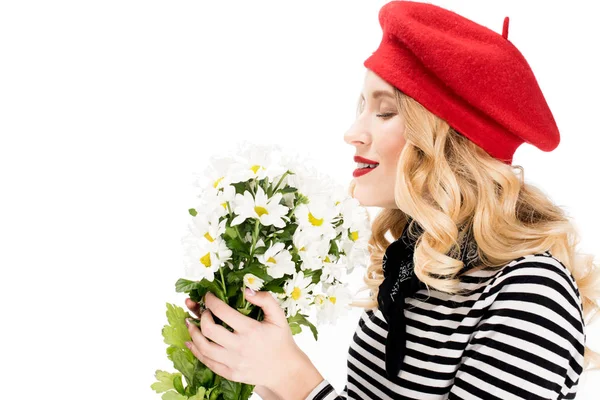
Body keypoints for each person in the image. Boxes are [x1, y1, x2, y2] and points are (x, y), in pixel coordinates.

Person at [183, 1, 600, 399]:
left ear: (448, 144)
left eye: (384, 112)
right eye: (361, 107)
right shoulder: (415, 269)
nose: (353, 132)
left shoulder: (530, 293)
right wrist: (255, 366)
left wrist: (295, 378)